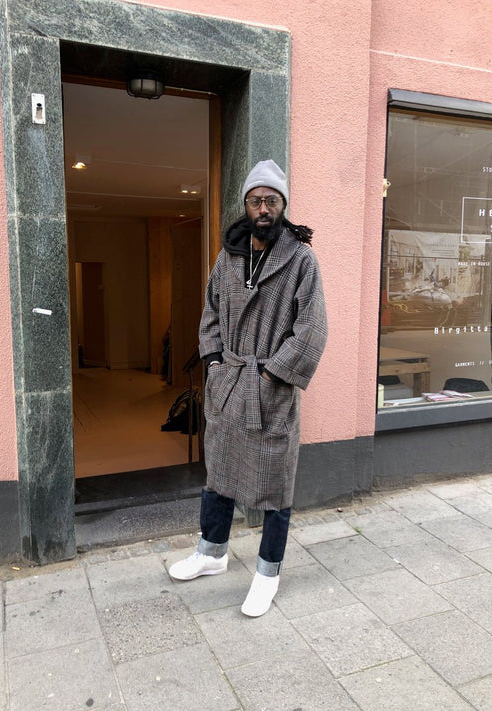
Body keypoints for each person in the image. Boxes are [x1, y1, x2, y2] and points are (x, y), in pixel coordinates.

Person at [168, 159, 328, 616]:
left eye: (271, 201)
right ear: (246, 205)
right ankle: (211, 553)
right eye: (256, 200)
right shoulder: (229, 256)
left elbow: (312, 329)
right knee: (218, 472)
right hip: (228, 382)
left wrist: (272, 375)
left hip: (269, 391)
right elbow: (210, 313)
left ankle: (267, 573)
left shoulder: (300, 260)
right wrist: (216, 363)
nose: (263, 208)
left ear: (282, 205)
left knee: (275, 485)